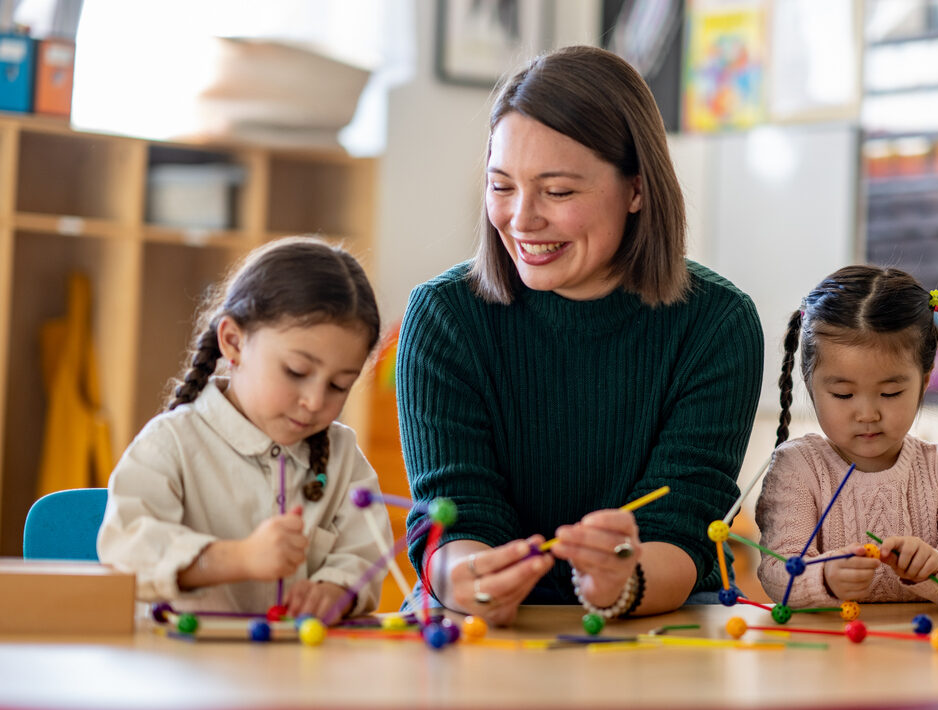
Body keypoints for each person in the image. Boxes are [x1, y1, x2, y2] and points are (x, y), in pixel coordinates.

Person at [396, 45, 763, 626]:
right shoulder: (443, 315)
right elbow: (454, 517)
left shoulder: (716, 324)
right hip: (480, 633)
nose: (521, 218)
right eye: (501, 185)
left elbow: (685, 526)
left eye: (558, 191)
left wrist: (623, 581)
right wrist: (468, 579)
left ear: (637, 190)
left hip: (653, 627)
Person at [98, 237, 388, 624]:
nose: (316, 401)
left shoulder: (343, 457)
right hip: (182, 670)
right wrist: (239, 558)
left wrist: (336, 589)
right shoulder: (170, 444)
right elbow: (127, 548)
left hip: (299, 674)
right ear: (233, 342)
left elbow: (366, 552)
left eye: (339, 385)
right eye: (297, 372)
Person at [756, 265, 938, 609]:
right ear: (810, 383)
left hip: (927, 652)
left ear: (922, 383)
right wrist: (824, 577)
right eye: (844, 395)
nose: (867, 414)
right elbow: (775, 570)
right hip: (828, 653)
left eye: (890, 393)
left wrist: (937, 566)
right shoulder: (797, 468)